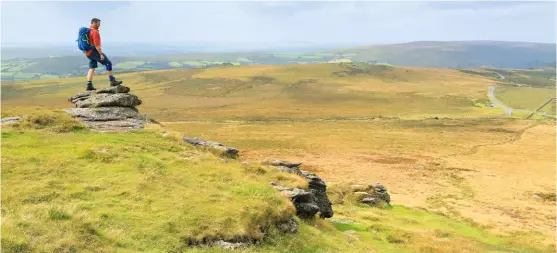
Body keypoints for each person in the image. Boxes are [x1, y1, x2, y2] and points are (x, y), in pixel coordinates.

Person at [85, 18, 122, 91]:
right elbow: (97, 46)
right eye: (98, 23)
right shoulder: (95, 32)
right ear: (94, 23)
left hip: (88, 52)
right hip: (94, 51)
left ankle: (89, 85)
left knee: (92, 67)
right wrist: (101, 54)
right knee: (108, 63)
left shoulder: (88, 31)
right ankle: (112, 81)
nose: (99, 25)